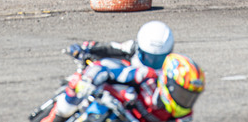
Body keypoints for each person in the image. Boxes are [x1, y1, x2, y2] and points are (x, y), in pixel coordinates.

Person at [42, 21, 175, 122]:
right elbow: (110, 48)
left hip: (134, 103)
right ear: (139, 48)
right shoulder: (132, 47)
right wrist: (87, 49)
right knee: (76, 86)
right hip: (115, 82)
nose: (152, 62)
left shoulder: (172, 70)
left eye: (160, 59)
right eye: (148, 56)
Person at [77, 53, 205, 122]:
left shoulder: (184, 116)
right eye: (182, 94)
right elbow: (108, 72)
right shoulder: (145, 76)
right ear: (168, 83)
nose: (185, 100)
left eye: (190, 97)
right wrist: (90, 82)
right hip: (108, 108)